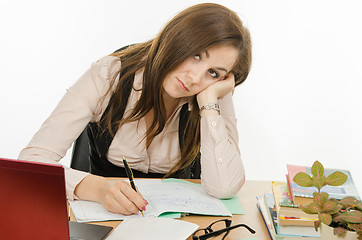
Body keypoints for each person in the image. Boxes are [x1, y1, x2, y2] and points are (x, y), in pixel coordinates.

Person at [18, 3, 252, 216]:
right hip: (102, 219)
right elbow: (31, 163)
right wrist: (98, 188)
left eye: (213, 72)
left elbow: (225, 188)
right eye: (196, 55)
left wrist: (210, 101)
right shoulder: (109, 75)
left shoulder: (212, 94)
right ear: (177, 38)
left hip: (176, 224)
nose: (194, 78)